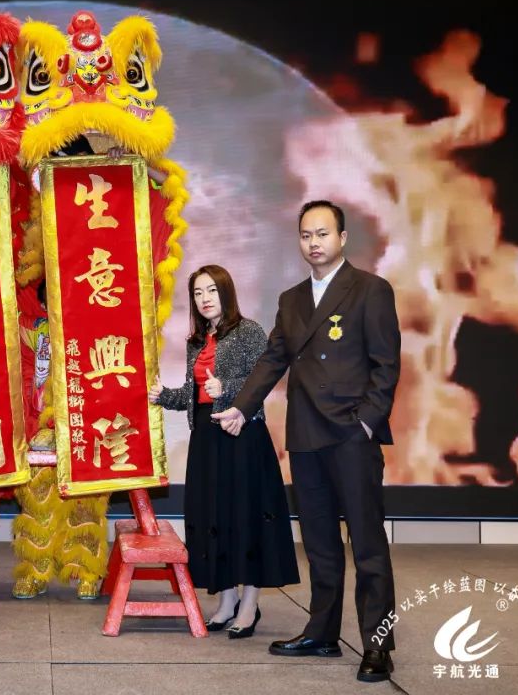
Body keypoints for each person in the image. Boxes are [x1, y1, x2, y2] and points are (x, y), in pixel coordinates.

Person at [212, 201, 400, 682]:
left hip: (351, 436)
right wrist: (242, 407)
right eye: (305, 235)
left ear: (342, 238)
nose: (314, 243)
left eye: (322, 233)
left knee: (368, 544)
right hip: (306, 435)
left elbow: (386, 365)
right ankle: (322, 633)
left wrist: (366, 422)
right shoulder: (292, 299)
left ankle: (378, 645)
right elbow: (273, 359)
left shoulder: (370, 290)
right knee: (319, 543)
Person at [150, 265, 299, 639]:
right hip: (206, 437)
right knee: (214, 516)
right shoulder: (197, 341)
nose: (205, 299)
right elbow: (193, 393)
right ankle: (227, 599)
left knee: (246, 517)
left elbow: (263, 379)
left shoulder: (249, 331)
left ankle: (250, 604)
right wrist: (163, 396)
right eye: (198, 293)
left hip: (241, 435)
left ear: (227, 292)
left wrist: (227, 388)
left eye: (212, 290)